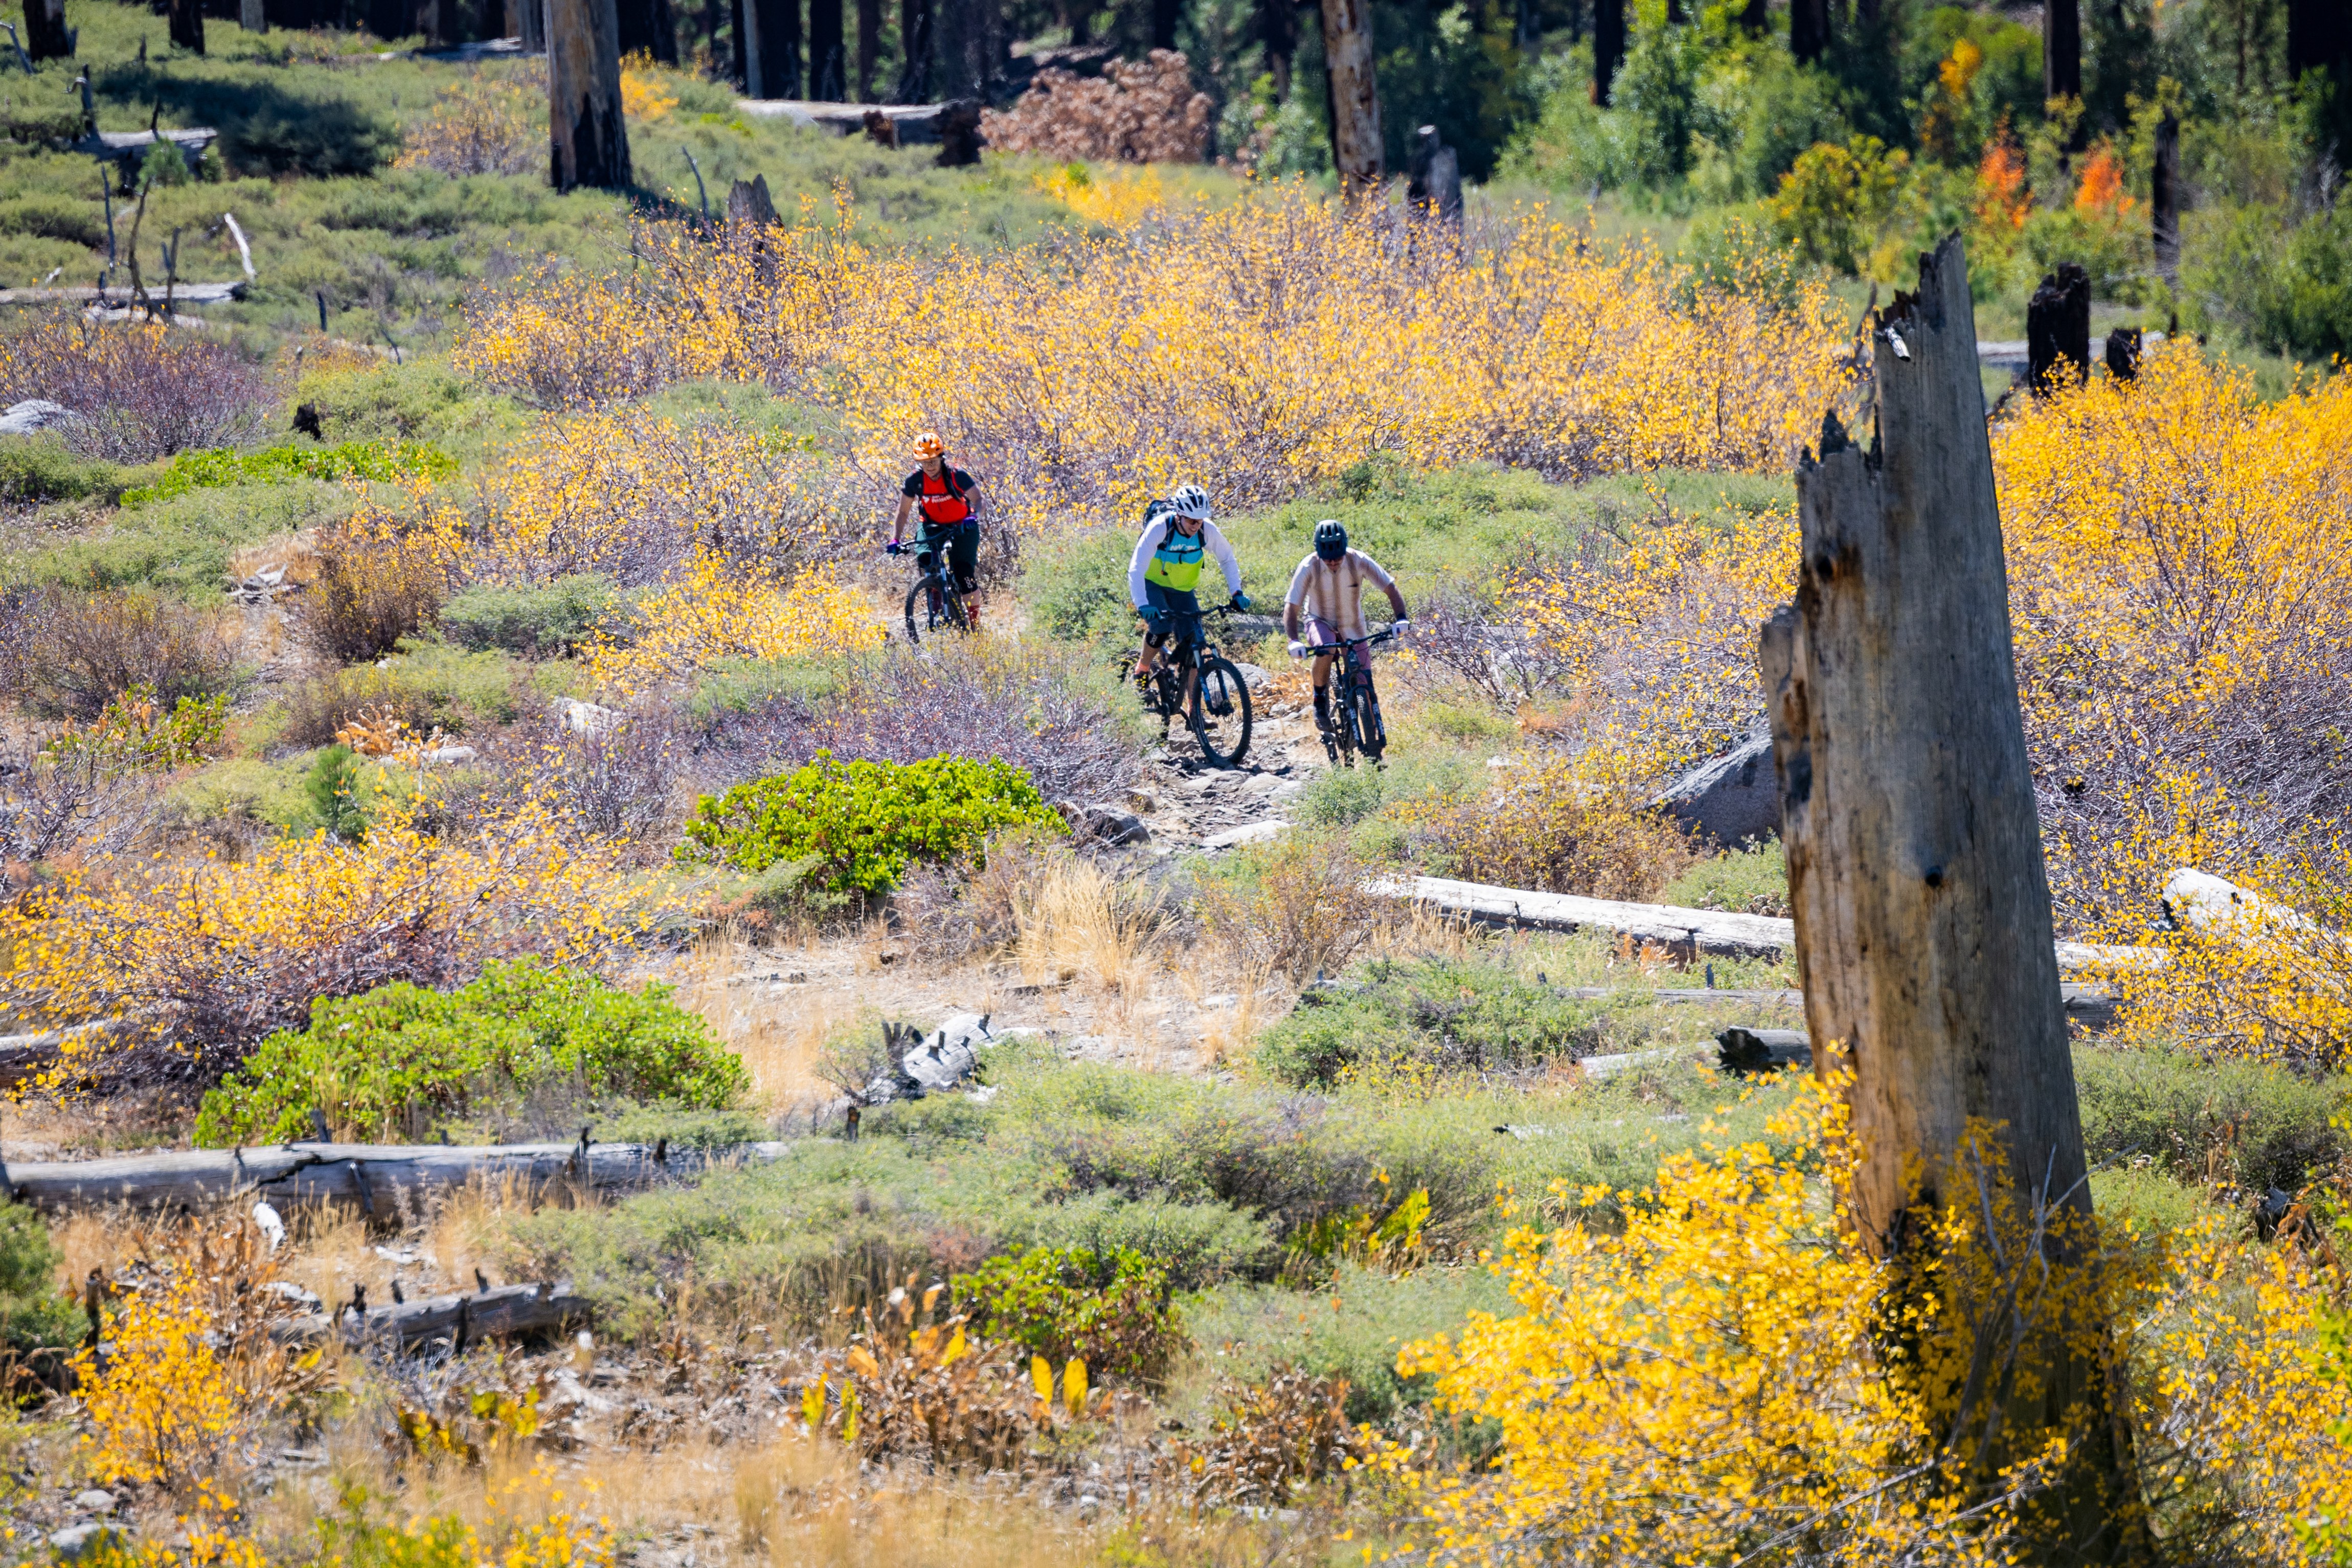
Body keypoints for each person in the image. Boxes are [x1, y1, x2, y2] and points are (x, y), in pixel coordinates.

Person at [1285, 519, 1408, 735]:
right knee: (1325, 648)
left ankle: (1374, 746)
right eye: (1328, 560)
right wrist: (1293, 640)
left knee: (1365, 683)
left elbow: (1390, 588)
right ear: (1319, 553)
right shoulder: (1308, 566)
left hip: (1352, 624)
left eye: (1338, 558)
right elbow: (1292, 606)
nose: (1333, 563)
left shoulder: (1358, 560)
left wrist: (1401, 618)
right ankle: (1319, 698)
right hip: (1319, 619)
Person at [1127, 484, 1249, 695]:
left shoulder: (1206, 530)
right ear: (1179, 515)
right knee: (1161, 626)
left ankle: (1196, 714)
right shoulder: (1160, 528)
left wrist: (1236, 593)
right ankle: (1142, 669)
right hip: (1153, 585)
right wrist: (1143, 604)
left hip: (1183, 590)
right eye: (1192, 520)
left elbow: (1227, 559)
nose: (1196, 525)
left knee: (1195, 648)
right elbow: (1136, 568)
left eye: (1200, 520)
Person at [887, 431, 986, 629]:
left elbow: (979, 500)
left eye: (933, 461)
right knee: (925, 560)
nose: (930, 466)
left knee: (964, 574)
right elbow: (903, 511)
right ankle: (936, 596)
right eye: (925, 462)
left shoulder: (957, 475)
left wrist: (974, 517)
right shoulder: (915, 480)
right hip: (931, 525)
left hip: (963, 525)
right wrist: (895, 540)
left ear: (941, 457)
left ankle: (974, 627)